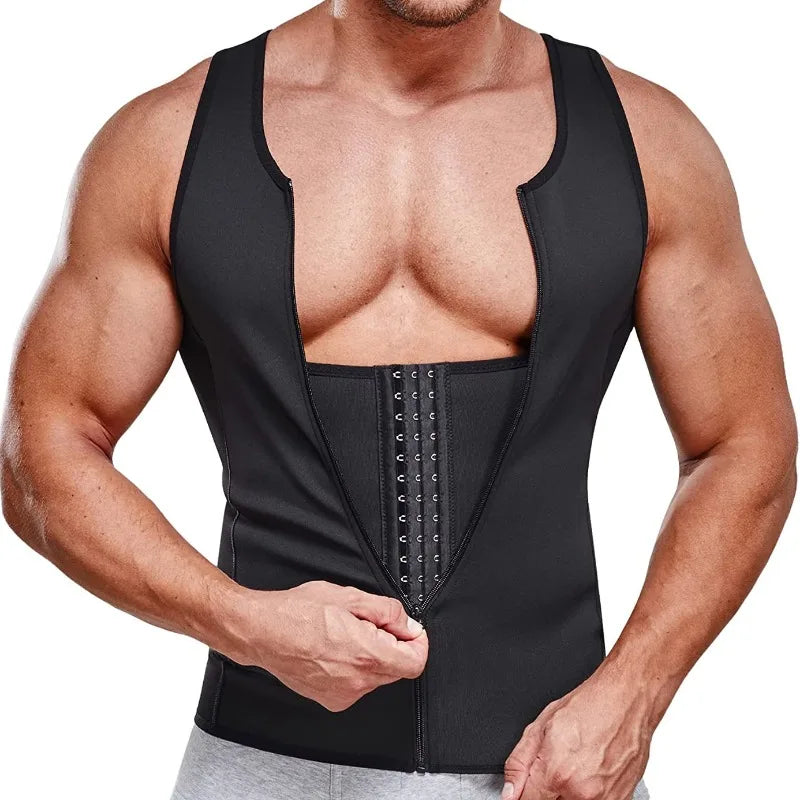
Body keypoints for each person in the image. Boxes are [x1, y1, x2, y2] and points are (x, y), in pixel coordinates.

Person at [1, 2, 795, 799]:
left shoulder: (647, 142)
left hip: (555, 775)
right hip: (261, 767)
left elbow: (745, 441)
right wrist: (243, 622)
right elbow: (41, 448)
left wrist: (636, 693)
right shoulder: (168, 145)